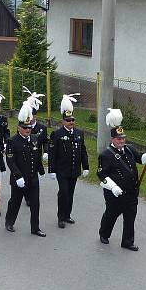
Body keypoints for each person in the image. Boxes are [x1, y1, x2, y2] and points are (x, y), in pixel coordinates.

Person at [97, 108, 146, 251]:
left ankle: (127, 241)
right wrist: (113, 187)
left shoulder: (129, 149)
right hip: (115, 194)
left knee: (130, 217)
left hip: (131, 192)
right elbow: (101, 175)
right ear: (113, 139)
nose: (122, 141)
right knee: (111, 214)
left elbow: (140, 160)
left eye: (123, 138)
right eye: (119, 139)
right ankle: (104, 234)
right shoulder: (106, 155)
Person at [4, 100, 46, 237]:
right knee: (15, 202)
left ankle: (35, 228)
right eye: (25, 128)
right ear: (19, 128)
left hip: (33, 178)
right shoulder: (12, 141)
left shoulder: (35, 138)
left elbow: (36, 155)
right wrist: (18, 176)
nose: (28, 130)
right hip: (19, 179)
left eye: (29, 128)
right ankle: (9, 222)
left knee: (35, 204)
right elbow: (10, 161)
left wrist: (41, 169)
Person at [49, 95, 89, 228]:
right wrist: (52, 170)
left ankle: (67, 215)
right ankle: (61, 217)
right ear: (63, 121)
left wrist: (86, 166)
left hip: (74, 169)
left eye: (72, 120)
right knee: (64, 192)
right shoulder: (57, 134)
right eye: (68, 120)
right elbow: (52, 154)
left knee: (70, 193)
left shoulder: (79, 133)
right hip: (62, 170)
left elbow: (82, 150)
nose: (71, 122)